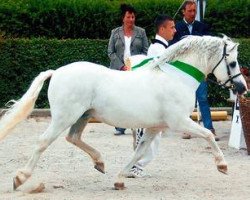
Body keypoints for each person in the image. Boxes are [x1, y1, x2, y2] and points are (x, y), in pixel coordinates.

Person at [127, 15, 176, 178]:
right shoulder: (157, 49)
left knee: (154, 135)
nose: (175, 31)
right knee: (151, 136)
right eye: (172, 27)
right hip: (150, 99)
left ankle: (137, 164)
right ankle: (136, 165)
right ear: (162, 29)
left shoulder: (162, 47)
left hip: (155, 99)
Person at [171, 0, 219, 141]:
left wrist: (205, 71)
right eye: (190, 11)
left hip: (199, 71)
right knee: (184, 100)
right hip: (183, 72)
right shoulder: (176, 28)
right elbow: (174, 50)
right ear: (183, 12)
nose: (193, 13)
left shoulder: (202, 27)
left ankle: (209, 128)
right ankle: (186, 129)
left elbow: (208, 51)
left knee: (203, 98)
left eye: (194, 11)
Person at [108, 3, 149, 136]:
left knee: (136, 97)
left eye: (133, 17)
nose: (131, 19)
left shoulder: (141, 32)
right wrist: (121, 66)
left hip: (136, 70)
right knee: (119, 98)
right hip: (119, 70)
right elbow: (110, 52)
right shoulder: (115, 32)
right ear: (123, 18)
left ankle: (138, 125)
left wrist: (137, 64)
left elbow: (145, 51)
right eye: (129, 17)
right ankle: (120, 126)